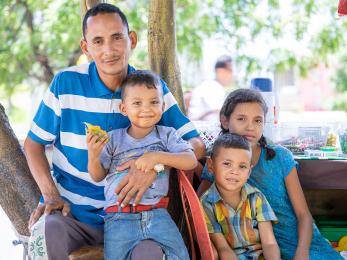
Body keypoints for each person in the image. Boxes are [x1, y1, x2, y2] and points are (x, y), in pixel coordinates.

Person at [23, 3, 205, 259]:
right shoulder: (65, 84)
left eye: (117, 37)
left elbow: (195, 144)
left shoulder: (150, 90)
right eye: (98, 41)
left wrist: (153, 168)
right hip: (74, 216)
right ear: (86, 48)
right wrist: (50, 195)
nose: (109, 50)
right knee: (47, 232)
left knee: (150, 253)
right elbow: (33, 144)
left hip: (137, 216)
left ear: (131, 39)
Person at [198, 88, 342, 259]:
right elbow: (198, 211)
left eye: (258, 120)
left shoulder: (280, 157)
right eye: (241, 119)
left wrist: (302, 253)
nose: (250, 127)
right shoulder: (219, 162)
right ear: (225, 120)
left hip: (300, 244)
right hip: (257, 252)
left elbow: (303, 215)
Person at [87, 70, 195, 260]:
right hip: (118, 217)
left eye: (154, 102)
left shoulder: (167, 135)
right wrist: (93, 155)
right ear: (123, 109)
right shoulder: (113, 139)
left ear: (162, 105)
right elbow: (97, 175)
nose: (146, 109)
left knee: (181, 255)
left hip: (157, 213)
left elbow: (190, 160)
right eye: (137, 103)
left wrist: (156, 157)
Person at [200, 133, 280, 260]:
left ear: (249, 171)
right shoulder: (206, 204)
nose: (235, 171)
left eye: (242, 166)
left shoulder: (257, 198)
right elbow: (223, 249)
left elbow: (269, 243)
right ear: (211, 165)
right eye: (227, 164)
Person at [188, 55, 233, 122]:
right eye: (230, 71)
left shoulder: (212, 85)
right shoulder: (212, 87)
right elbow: (219, 114)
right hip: (200, 129)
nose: (232, 75)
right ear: (220, 71)